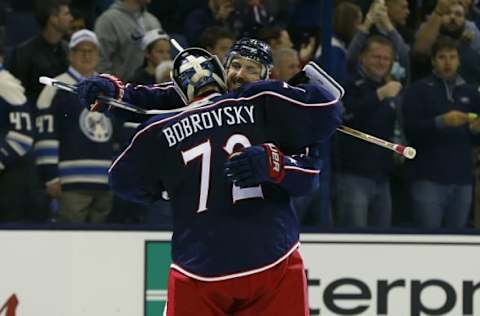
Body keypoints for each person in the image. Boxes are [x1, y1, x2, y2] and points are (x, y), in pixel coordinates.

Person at [76, 43, 342, 315]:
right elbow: (327, 111)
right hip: (269, 259)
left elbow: (123, 179)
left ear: (266, 77)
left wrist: (278, 166)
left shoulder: (267, 107)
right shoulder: (271, 103)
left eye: (251, 69)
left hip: (201, 266)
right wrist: (118, 93)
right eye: (235, 66)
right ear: (222, 71)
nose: (240, 74)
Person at [35, 29, 118, 223]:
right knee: (70, 244)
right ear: (70, 54)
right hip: (70, 183)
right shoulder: (56, 87)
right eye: (81, 50)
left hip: (105, 183)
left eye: (91, 51)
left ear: (98, 55)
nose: (86, 55)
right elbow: (45, 135)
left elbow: (118, 135)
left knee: (99, 246)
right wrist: (50, 176)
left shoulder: (109, 89)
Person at [402, 37, 480, 229]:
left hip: (462, 180)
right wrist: (440, 122)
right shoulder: (418, 90)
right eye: (442, 57)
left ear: (459, 60)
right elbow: (410, 130)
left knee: (455, 241)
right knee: (428, 242)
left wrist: (476, 131)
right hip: (428, 179)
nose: (447, 62)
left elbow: (475, 138)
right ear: (433, 61)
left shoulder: (471, 93)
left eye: (452, 57)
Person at [334, 35, 401, 228]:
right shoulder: (348, 85)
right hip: (353, 176)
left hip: (383, 176)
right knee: (354, 238)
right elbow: (347, 117)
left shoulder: (391, 89)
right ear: (362, 57)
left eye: (386, 58)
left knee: (382, 241)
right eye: (376, 57)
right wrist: (379, 96)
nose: (381, 62)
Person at [6, 0, 72, 104]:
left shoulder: (68, 50)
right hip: (35, 113)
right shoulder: (24, 53)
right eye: (66, 14)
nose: (71, 18)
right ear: (53, 18)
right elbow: (17, 94)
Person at [94, 0, 162, 81]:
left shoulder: (152, 20)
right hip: (121, 90)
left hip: (152, 89)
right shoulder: (108, 20)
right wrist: (113, 88)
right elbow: (100, 62)